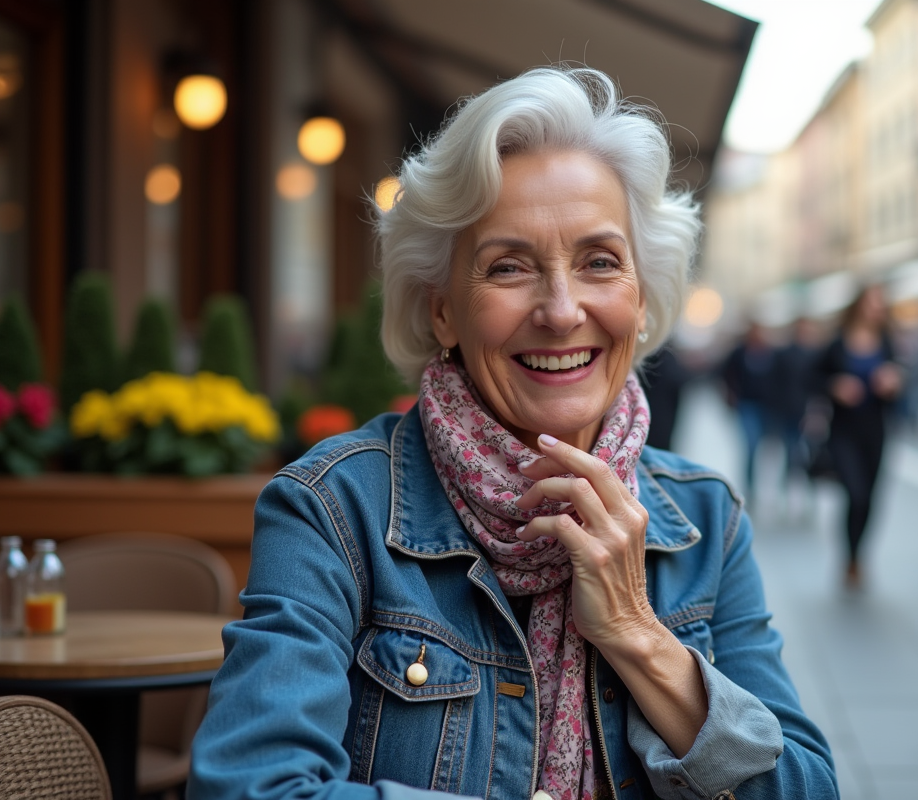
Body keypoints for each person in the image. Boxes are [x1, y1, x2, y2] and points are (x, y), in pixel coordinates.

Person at [188, 67, 836, 799]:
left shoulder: (707, 521)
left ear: (644, 298)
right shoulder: (334, 510)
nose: (561, 310)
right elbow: (249, 787)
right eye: (508, 266)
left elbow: (806, 787)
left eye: (599, 262)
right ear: (441, 312)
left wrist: (637, 634)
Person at [814, 285, 902, 589]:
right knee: (856, 493)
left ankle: (857, 554)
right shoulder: (838, 342)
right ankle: (849, 555)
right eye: (873, 303)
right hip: (843, 432)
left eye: (882, 304)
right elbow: (813, 377)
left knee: (870, 498)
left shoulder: (887, 342)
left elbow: (901, 380)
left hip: (875, 431)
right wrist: (835, 386)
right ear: (860, 305)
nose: (878, 309)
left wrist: (893, 384)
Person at [721, 321, 779, 498]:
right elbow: (726, 373)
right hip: (746, 404)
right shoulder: (739, 352)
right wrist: (731, 394)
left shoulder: (771, 353)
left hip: (766, 406)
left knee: (765, 446)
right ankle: (750, 484)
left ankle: (760, 482)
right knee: (751, 444)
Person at [771, 317, 818, 522]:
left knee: (810, 458)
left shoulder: (816, 354)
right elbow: (775, 383)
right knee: (790, 456)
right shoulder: (784, 354)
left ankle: (809, 500)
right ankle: (786, 499)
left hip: (809, 414)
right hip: (788, 413)